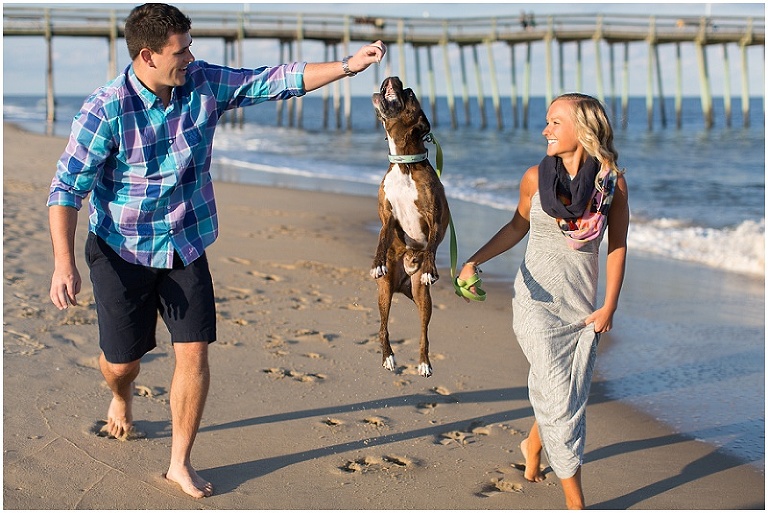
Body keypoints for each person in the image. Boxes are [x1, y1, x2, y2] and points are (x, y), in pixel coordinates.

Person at [47, 3, 386, 499]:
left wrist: (348, 66)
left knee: (194, 352)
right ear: (147, 55)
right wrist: (63, 262)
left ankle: (179, 463)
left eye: (190, 47)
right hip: (122, 249)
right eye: (180, 51)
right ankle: (120, 396)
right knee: (121, 363)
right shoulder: (105, 110)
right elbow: (65, 189)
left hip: (185, 242)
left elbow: (272, 80)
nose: (190, 57)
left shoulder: (202, 82)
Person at [456, 93, 629, 509]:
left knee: (563, 392)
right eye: (547, 122)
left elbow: (617, 245)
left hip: (581, 306)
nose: (545, 130)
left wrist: (610, 305)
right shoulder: (535, 177)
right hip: (535, 299)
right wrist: (474, 261)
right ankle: (576, 503)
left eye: (555, 122)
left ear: (583, 130)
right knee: (560, 399)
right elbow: (517, 226)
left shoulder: (611, 184)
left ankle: (532, 444)